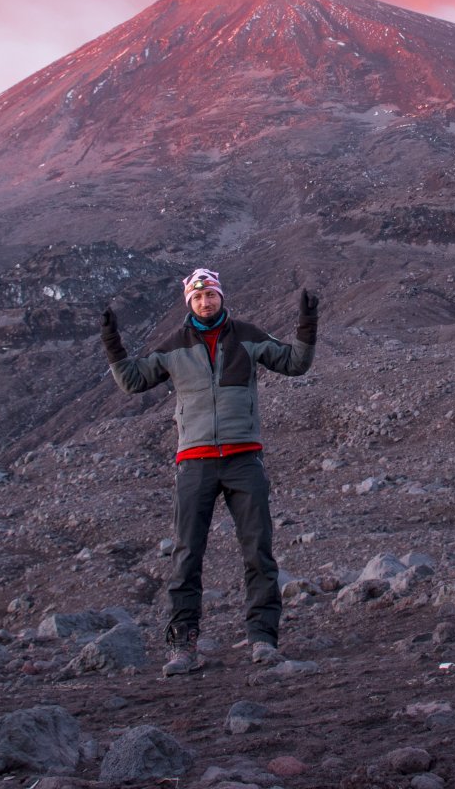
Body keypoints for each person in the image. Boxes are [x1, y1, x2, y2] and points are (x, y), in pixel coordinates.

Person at [101, 268, 319, 675]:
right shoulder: (174, 346)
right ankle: (182, 647)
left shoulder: (247, 336)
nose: (206, 302)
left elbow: (294, 364)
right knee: (187, 556)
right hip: (195, 462)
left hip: (243, 459)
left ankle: (263, 641)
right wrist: (112, 341)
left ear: (221, 297)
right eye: (198, 297)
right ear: (190, 302)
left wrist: (308, 324)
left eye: (212, 295)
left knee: (258, 553)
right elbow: (132, 381)